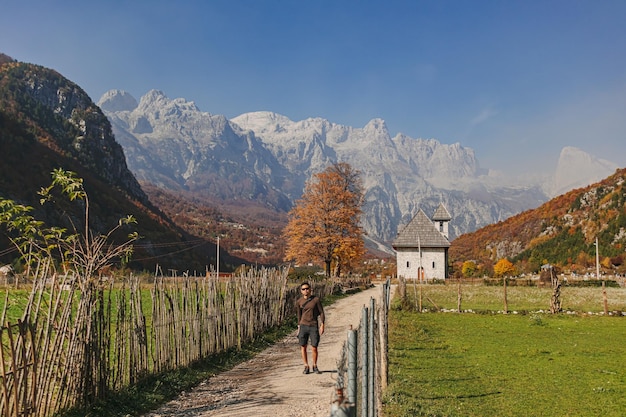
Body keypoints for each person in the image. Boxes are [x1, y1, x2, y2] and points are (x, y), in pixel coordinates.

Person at [296, 281, 325, 374]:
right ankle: (306, 366)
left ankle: (315, 365)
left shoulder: (316, 300)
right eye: (303, 289)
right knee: (303, 346)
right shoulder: (299, 302)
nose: (306, 291)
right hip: (303, 325)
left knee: (314, 347)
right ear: (301, 291)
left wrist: (322, 324)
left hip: (313, 325)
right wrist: (299, 327)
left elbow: (321, 312)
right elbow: (299, 315)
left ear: (310, 290)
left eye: (307, 289)